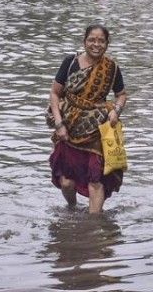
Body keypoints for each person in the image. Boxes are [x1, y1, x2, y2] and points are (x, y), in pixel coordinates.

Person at [48, 24, 127, 214]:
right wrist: (59, 124)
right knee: (66, 182)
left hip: (96, 131)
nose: (96, 44)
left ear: (107, 44)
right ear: (84, 41)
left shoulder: (111, 68)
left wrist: (116, 110)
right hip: (69, 128)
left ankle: (95, 228)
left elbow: (121, 94)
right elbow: (54, 93)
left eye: (101, 41)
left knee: (96, 181)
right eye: (92, 40)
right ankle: (72, 208)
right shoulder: (70, 63)